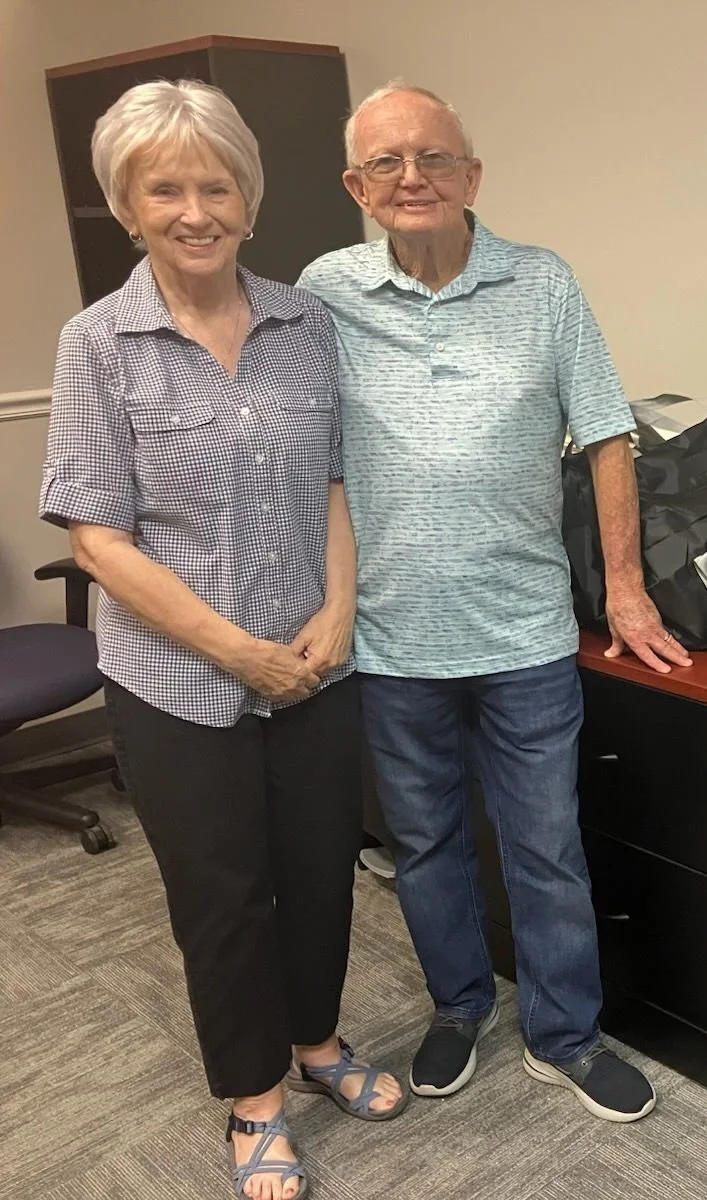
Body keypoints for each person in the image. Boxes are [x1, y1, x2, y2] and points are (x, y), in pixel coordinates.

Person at [38, 80, 405, 1200]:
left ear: (248, 198)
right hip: (173, 682)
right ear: (128, 205)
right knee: (224, 892)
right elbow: (97, 538)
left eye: (216, 185)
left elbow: (338, 479)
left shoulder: (307, 323)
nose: (194, 209)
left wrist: (338, 610)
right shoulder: (99, 344)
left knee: (319, 871)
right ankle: (253, 1100)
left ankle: (316, 1043)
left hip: (313, 663)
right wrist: (235, 652)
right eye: (166, 188)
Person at [298, 80, 690, 1124]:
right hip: (387, 638)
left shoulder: (542, 283)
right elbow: (306, 456)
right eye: (386, 163)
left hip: (522, 629)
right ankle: (459, 1007)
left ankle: (564, 1035)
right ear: (355, 185)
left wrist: (625, 588)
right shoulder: (321, 293)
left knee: (545, 844)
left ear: (472, 175)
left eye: (433, 158)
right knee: (425, 846)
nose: (411, 178)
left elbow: (607, 433)